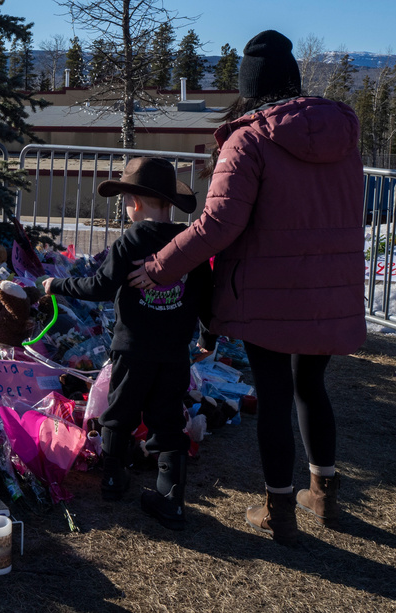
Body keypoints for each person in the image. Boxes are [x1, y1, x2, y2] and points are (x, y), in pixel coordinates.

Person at [126, 30, 366, 545]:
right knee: (311, 386)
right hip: (330, 286)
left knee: (274, 392)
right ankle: (323, 492)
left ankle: (280, 509)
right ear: (294, 77)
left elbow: (217, 225)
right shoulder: (344, 135)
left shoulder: (249, 137)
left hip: (269, 290)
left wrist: (161, 266)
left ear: (249, 85)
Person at [43, 156, 214, 531]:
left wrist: (57, 285)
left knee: (119, 411)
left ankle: (112, 479)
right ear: (168, 203)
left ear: (134, 202)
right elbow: (207, 299)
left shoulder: (130, 241)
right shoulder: (190, 247)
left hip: (131, 349)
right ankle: (171, 498)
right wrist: (209, 336)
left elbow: (99, 287)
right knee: (167, 419)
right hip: (173, 353)